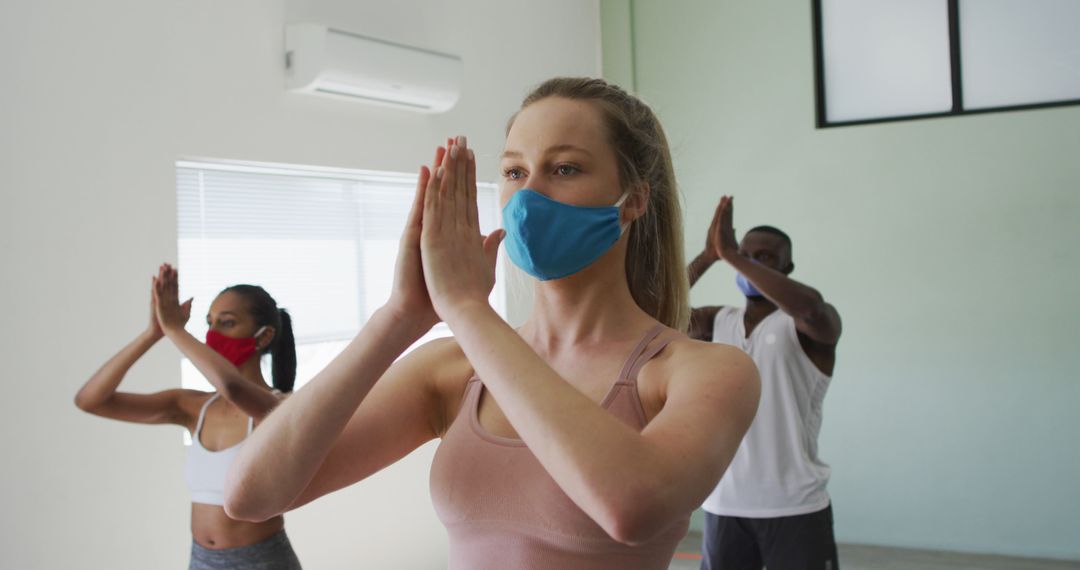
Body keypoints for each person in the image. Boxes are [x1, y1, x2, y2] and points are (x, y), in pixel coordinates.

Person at [224, 77, 760, 570]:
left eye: (565, 168)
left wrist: (468, 310)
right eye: (514, 172)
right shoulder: (454, 370)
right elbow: (252, 496)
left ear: (634, 199)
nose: (529, 196)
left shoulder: (702, 371)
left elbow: (632, 508)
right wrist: (398, 318)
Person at [75, 264, 302, 569]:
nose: (213, 334)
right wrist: (152, 334)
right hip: (201, 560)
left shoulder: (278, 408)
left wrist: (176, 331)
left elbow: (234, 387)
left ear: (263, 337)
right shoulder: (192, 406)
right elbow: (90, 400)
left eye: (227, 323)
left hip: (262, 561)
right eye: (210, 323)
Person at [687, 196, 842, 569]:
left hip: (796, 506)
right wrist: (710, 255)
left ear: (788, 267)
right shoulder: (715, 321)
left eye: (765, 258)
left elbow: (811, 308)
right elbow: (651, 311)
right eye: (744, 253)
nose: (750, 263)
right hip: (725, 505)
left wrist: (736, 257)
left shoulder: (806, 325)